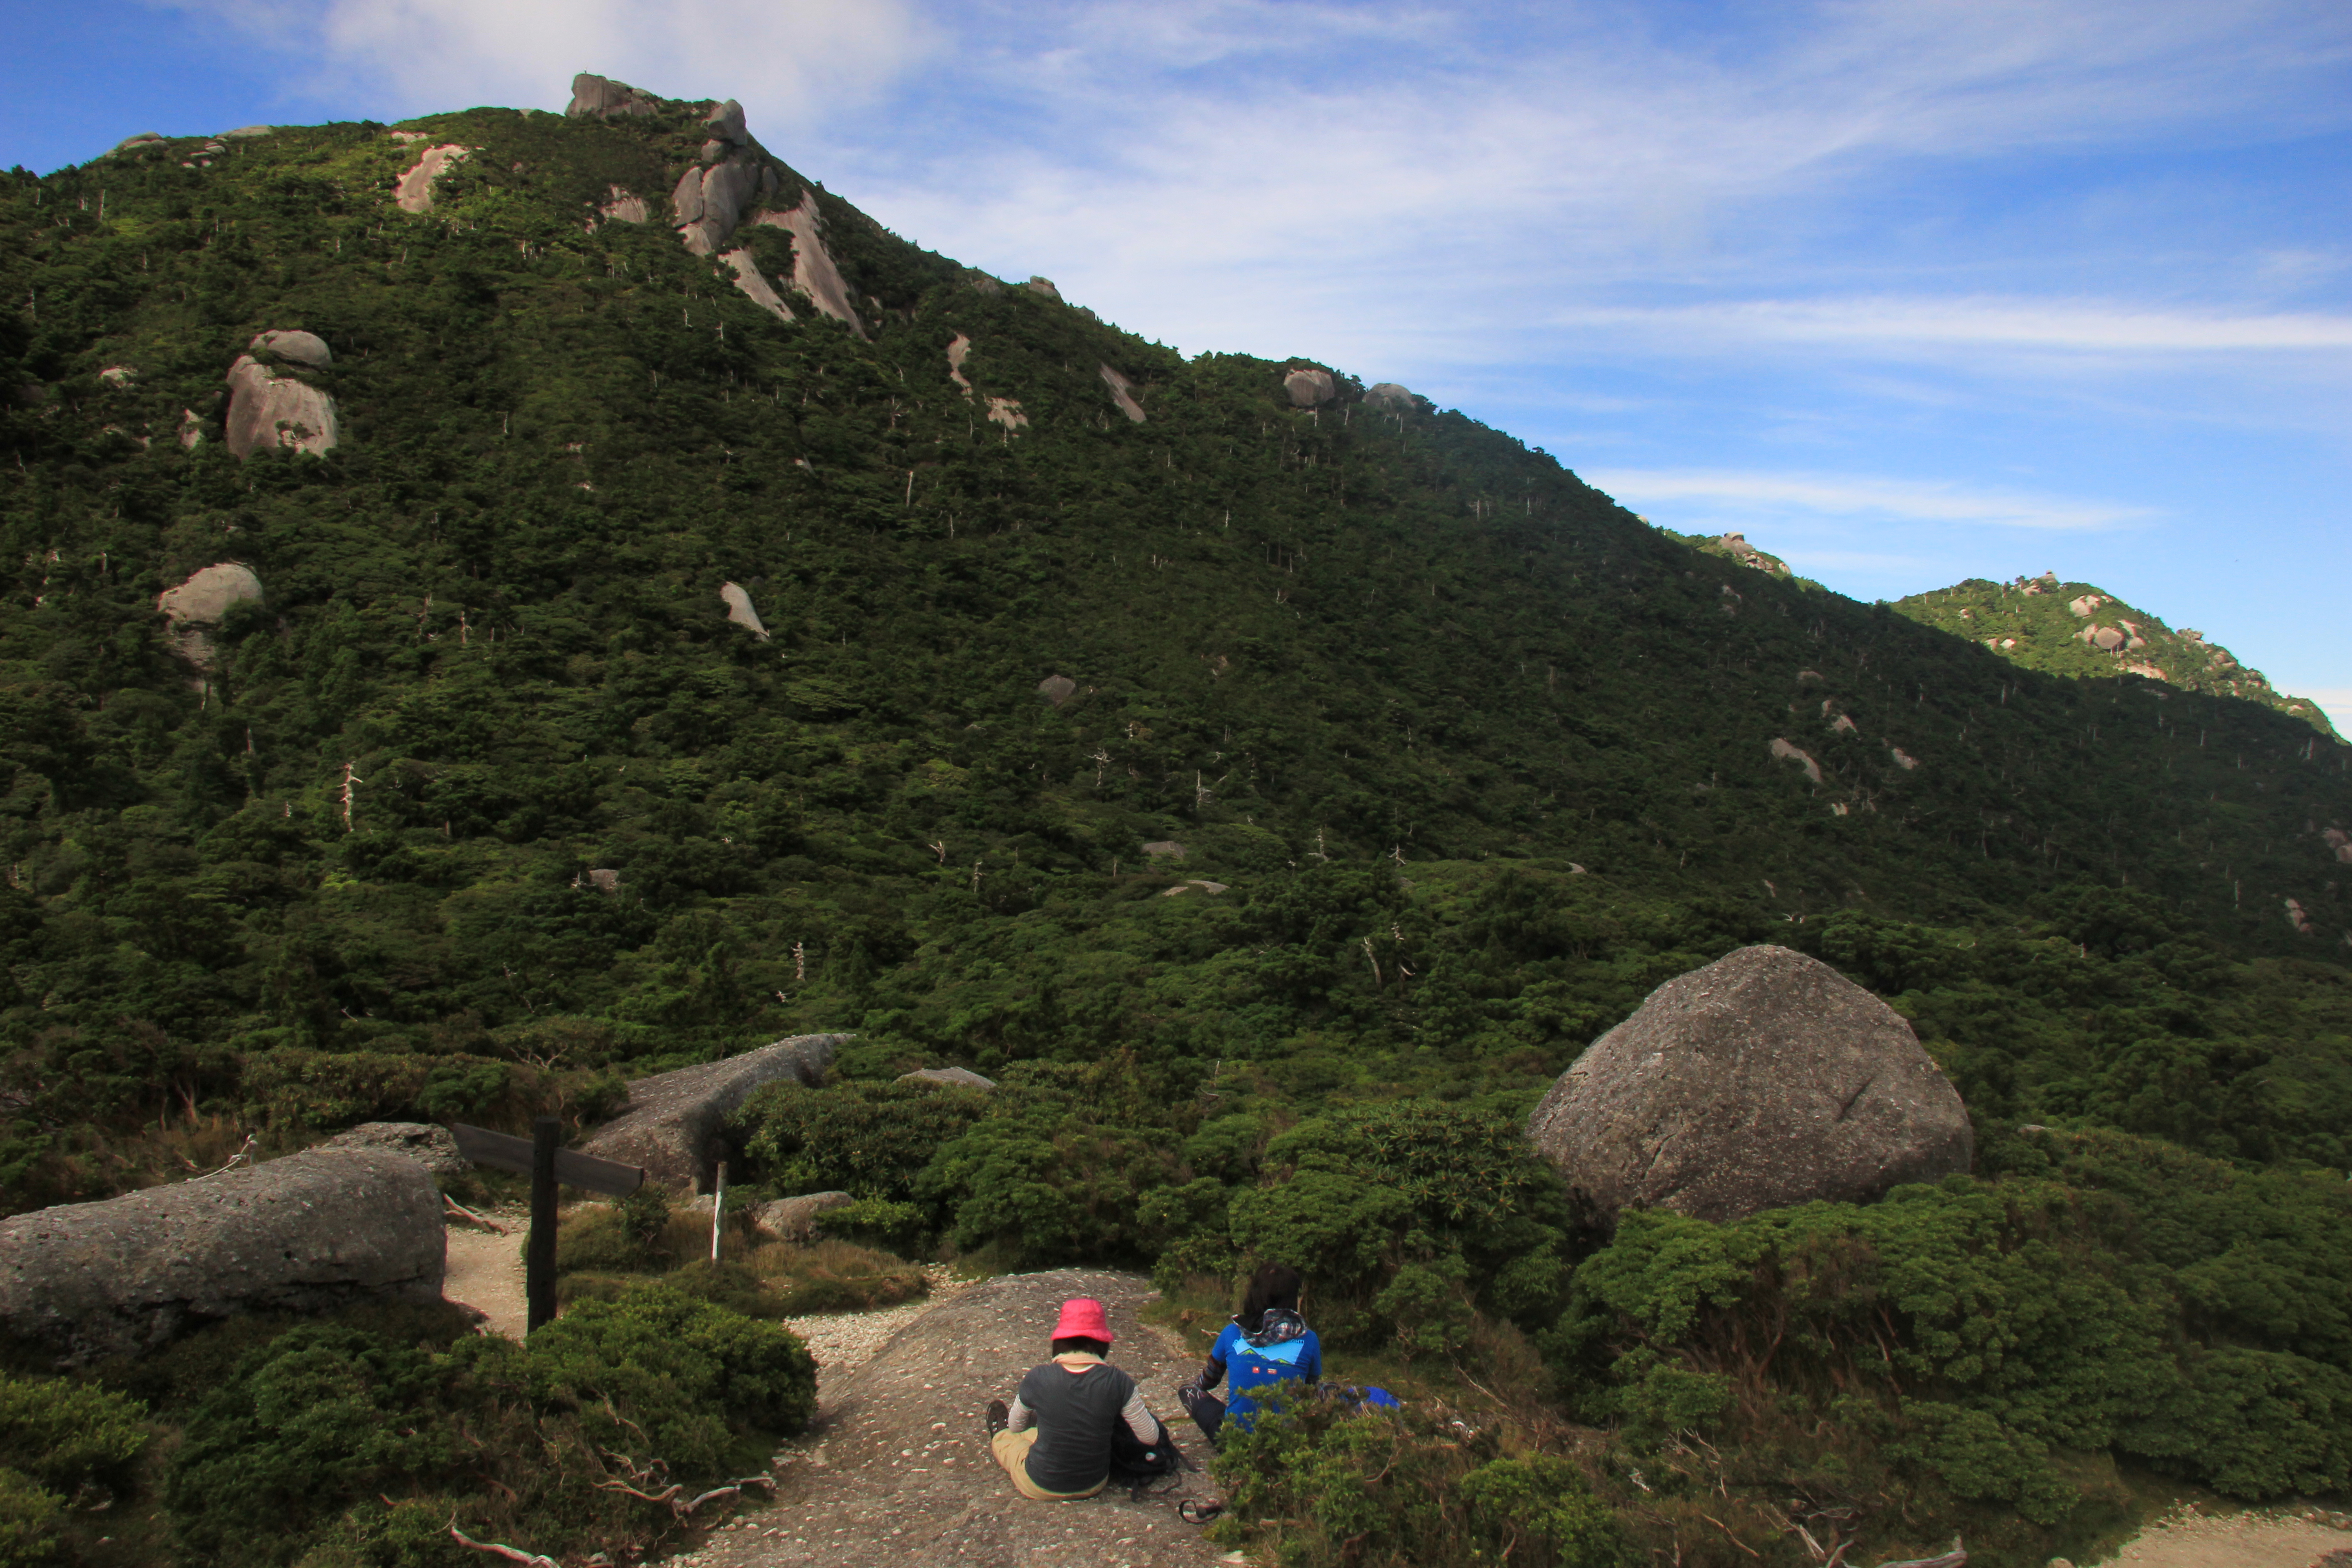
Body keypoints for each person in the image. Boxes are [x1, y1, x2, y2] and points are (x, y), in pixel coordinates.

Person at [986, 1296, 1173, 1501]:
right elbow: (1150, 1437)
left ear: (1059, 1340)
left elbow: (1015, 1426)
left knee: (1012, 1442)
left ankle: (998, 1435)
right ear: (1103, 1342)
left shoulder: (1038, 1378)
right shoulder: (1119, 1381)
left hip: (1041, 1483)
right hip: (1094, 1484)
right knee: (1038, 1434)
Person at [1177, 1263, 1322, 1441]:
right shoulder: (1309, 1339)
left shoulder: (1231, 1333)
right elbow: (1310, 1390)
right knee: (1328, 1389)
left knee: (1188, 1391)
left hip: (1236, 1443)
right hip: (1289, 1444)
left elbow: (1208, 1381)